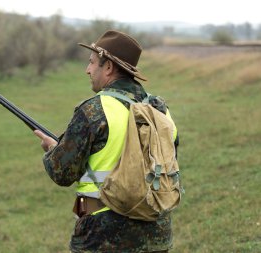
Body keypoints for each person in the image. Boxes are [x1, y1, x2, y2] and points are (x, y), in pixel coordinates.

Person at [34, 30, 177, 253]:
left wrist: (53, 149)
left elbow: (62, 173)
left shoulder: (93, 110)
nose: (87, 70)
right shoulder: (160, 111)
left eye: (92, 63)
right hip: (157, 236)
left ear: (108, 67)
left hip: (104, 238)